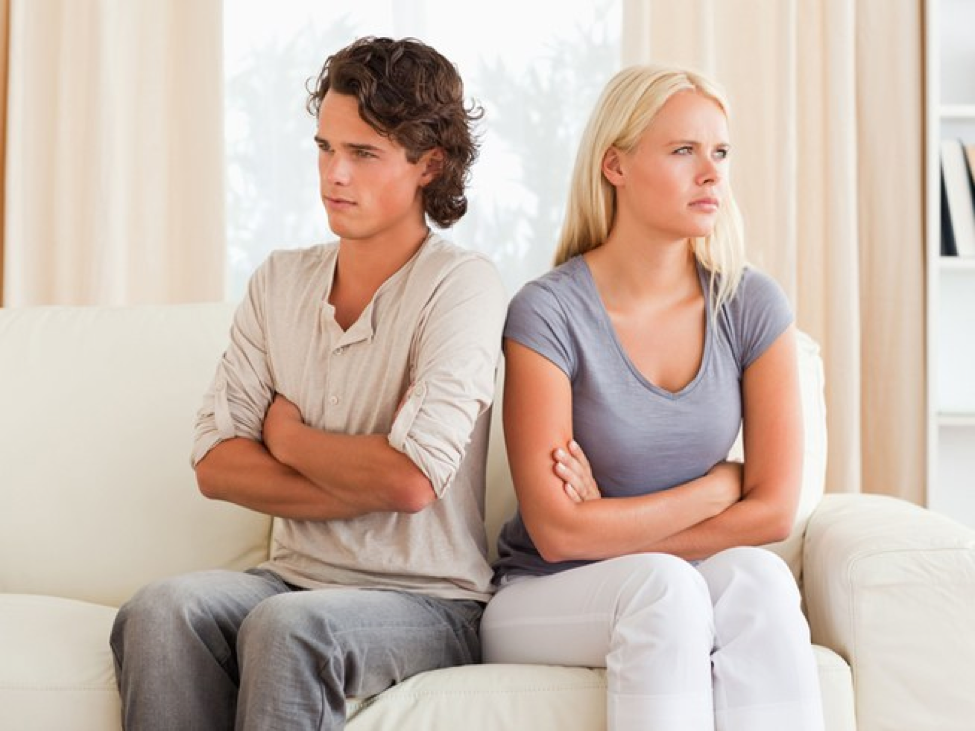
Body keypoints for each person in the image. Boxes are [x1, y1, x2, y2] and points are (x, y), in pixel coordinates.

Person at [110, 36, 506, 730]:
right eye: (325, 148)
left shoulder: (461, 284)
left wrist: (287, 439)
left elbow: (412, 480)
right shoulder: (279, 280)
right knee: (159, 609)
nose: (335, 174)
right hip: (290, 579)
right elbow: (215, 464)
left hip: (428, 602)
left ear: (429, 164)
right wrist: (364, 478)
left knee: (289, 626)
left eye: (364, 153)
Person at [480, 65, 824, 731]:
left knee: (759, 579)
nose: (711, 173)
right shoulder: (548, 312)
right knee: (665, 588)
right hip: (546, 591)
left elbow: (774, 511)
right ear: (615, 165)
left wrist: (607, 520)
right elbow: (557, 532)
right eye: (683, 150)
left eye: (719, 152)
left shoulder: (749, 304)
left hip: (681, 585)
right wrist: (715, 489)